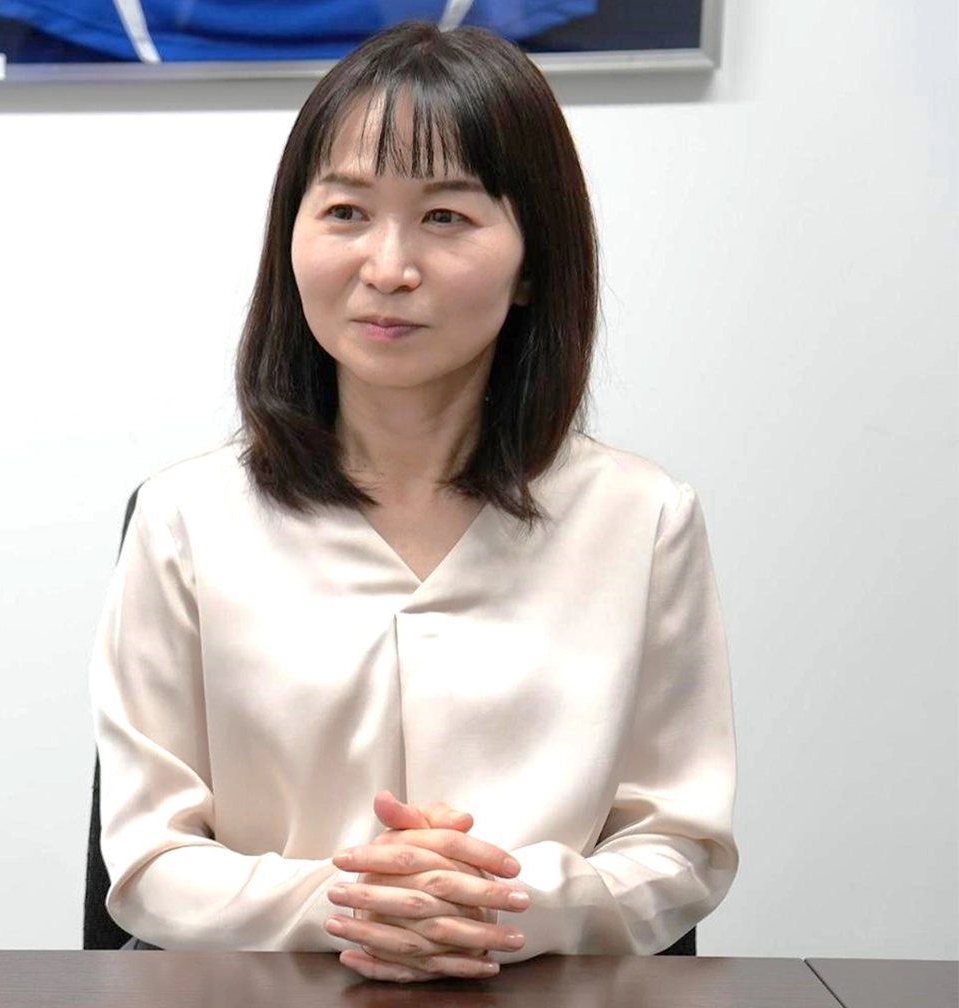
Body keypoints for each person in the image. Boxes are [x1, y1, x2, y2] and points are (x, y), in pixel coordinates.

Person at [88, 21, 739, 984]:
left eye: (445, 217)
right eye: (346, 211)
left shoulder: (641, 519)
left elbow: (680, 846)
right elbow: (148, 859)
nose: (388, 267)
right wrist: (352, 902)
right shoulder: (186, 517)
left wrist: (504, 902)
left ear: (533, 262)